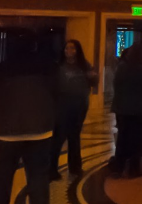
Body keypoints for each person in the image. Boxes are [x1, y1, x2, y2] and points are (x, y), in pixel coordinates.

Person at [0, 29, 58, 204]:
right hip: (41, 131)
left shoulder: (4, 68)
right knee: (38, 178)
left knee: (2, 179)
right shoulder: (48, 68)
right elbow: (57, 96)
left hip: (6, 132)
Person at [110, 42, 142, 177]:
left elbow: (116, 86)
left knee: (123, 138)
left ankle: (118, 167)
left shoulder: (121, 68)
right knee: (138, 140)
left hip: (123, 110)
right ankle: (133, 168)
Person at [50, 40, 97, 180]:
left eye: (72, 48)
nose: (69, 51)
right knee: (59, 137)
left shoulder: (84, 65)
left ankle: (75, 168)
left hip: (79, 105)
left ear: (78, 50)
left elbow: (94, 83)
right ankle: (52, 170)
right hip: (62, 105)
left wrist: (93, 77)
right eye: (67, 48)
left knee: (74, 136)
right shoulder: (59, 66)